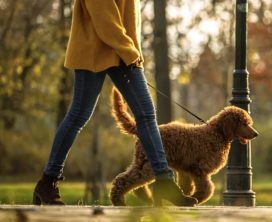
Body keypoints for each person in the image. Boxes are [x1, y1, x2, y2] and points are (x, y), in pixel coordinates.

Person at [33, 0, 197, 207]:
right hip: (96, 47)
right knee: (78, 115)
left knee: (146, 114)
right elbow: (105, 18)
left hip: (121, 49)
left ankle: (164, 181)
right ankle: (47, 183)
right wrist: (130, 52)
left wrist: (129, 50)